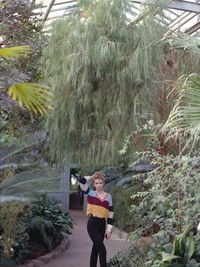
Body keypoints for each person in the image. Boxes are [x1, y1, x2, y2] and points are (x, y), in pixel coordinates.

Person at [78, 171, 114, 267]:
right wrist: (92, 176)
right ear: (94, 184)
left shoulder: (108, 197)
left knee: (96, 249)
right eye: (96, 183)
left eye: (100, 183)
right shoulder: (90, 193)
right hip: (92, 224)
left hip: (102, 225)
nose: (98, 185)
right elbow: (81, 181)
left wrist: (109, 230)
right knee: (102, 249)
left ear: (103, 184)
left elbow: (111, 214)